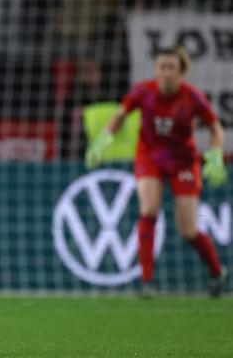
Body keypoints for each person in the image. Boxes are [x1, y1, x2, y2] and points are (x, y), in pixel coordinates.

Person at [85, 46, 228, 297]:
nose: (166, 73)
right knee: (149, 209)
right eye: (162, 66)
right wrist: (102, 141)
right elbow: (120, 115)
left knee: (188, 229)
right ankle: (147, 281)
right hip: (150, 156)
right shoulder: (143, 91)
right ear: (156, 69)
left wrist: (215, 155)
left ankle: (217, 272)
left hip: (182, 161)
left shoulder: (192, 97)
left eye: (171, 67)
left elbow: (215, 128)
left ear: (181, 72)